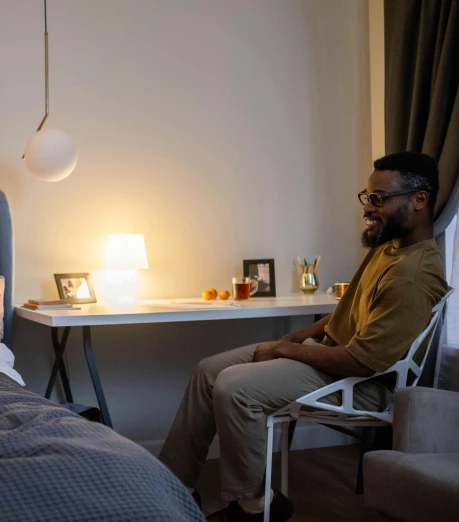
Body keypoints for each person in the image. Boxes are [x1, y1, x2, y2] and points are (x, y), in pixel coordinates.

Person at [159, 152, 448, 522]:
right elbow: (343, 315)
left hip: (361, 380)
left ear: (419, 200)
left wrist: (284, 350)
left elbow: (360, 361)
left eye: (379, 198)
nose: (367, 208)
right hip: (333, 357)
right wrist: (294, 338)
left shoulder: (414, 274)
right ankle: (173, 485)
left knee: (235, 387)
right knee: (208, 371)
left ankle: (253, 507)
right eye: (367, 197)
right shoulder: (389, 250)